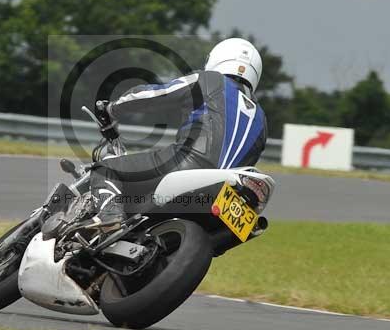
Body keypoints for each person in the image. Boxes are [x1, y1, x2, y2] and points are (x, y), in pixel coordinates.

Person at [85, 38, 268, 229]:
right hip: (228, 191)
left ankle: (109, 217)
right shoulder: (262, 119)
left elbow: (156, 95)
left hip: (189, 163)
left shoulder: (209, 80)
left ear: (217, 59)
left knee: (106, 170)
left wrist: (113, 109)